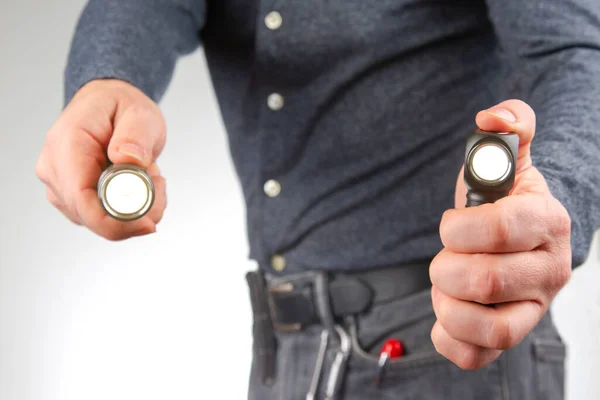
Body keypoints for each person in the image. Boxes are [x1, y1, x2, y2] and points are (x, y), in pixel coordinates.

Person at [35, 1, 600, 399]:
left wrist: (555, 197)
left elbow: (576, 56)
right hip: (287, 345)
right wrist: (108, 77)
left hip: (446, 342)